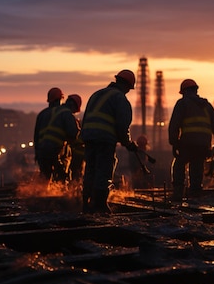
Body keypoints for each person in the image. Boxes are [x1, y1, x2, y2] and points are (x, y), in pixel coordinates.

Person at [80, 69, 138, 213]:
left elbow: (86, 117)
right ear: (127, 85)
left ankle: (86, 202)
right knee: (104, 169)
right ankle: (99, 204)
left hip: (89, 137)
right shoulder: (120, 98)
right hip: (104, 139)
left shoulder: (96, 94)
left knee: (90, 169)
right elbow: (122, 125)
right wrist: (128, 143)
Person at [169, 79, 214, 202]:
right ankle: (195, 194)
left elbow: (174, 125)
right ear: (196, 90)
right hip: (203, 144)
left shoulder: (182, 103)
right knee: (197, 167)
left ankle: (178, 194)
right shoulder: (207, 106)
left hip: (187, 142)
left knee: (179, 165)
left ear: (184, 92)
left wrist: (174, 143)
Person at [33, 89, 81, 185]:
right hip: (55, 151)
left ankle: (41, 195)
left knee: (45, 177)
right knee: (61, 177)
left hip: (42, 151)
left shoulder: (42, 114)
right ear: (61, 99)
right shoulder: (66, 113)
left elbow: (36, 136)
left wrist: (37, 153)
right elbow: (73, 133)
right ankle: (60, 196)